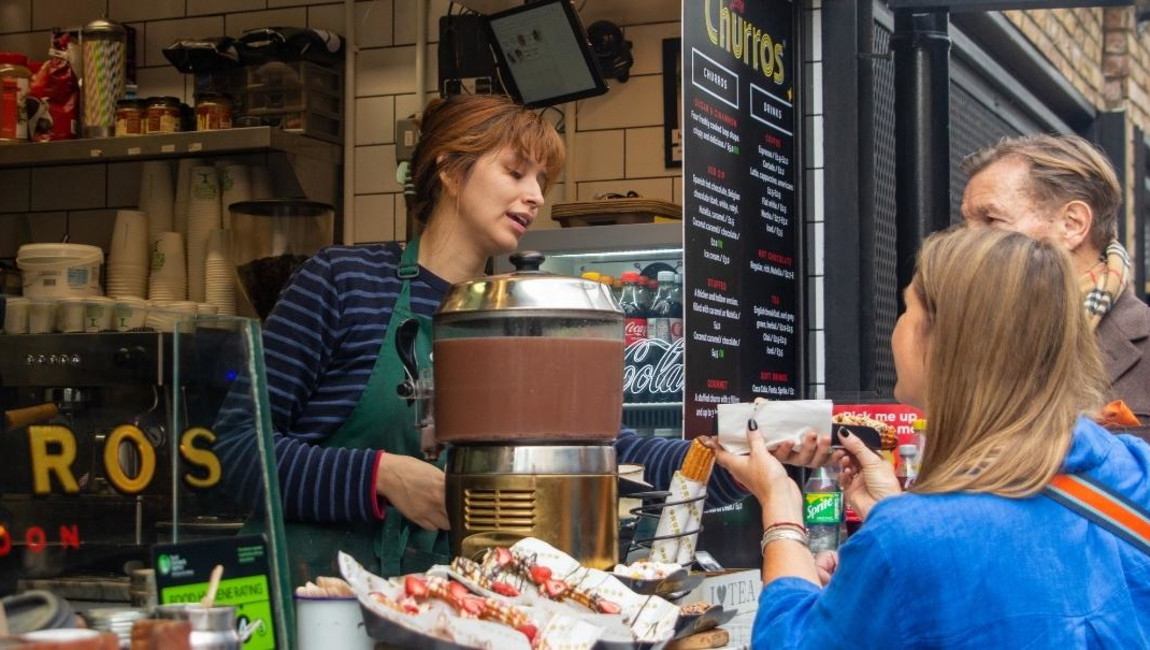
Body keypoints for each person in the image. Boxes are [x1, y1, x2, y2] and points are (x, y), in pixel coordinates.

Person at [216, 94, 755, 585]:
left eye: (542, 180)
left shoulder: (519, 313)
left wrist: (741, 462)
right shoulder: (344, 283)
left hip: (458, 611)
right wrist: (382, 476)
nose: (535, 196)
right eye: (516, 172)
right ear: (450, 171)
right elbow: (237, 452)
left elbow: (604, 454)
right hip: (319, 604)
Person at [706, 227, 1150, 647]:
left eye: (906, 310)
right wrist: (887, 510)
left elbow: (793, 641)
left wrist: (780, 505)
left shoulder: (910, 540)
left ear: (943, 341)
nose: (896, 329)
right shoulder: (1133, 466)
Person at [960, 134, 1150, 421]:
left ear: (1072, 224)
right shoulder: (962, 340)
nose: (966, 242)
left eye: (991, 220)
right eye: (967, 222)